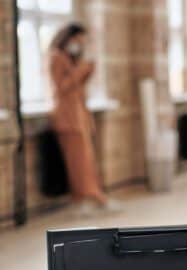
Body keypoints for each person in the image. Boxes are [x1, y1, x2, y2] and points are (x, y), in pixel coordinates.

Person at [48, 23, 120, 215]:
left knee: (86, 161)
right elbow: (62, 87)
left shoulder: (72, 60)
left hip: (79, 117)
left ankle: (92, 198)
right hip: (66, 118)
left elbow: (77, 88)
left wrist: (87, 71)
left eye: (83, 42)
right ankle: (91, 199)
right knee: (78, 163)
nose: (80, 45)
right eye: (78, 41)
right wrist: (81, 69)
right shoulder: (56, 57)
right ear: (68, 38)